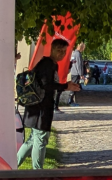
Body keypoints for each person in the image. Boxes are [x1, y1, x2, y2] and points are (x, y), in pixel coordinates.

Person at [17, 38, 80, 169]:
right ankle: (38, 173)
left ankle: (12, 166)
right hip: (40, 108)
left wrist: (65, 86)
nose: (62, 54)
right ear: (52, 50)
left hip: (38, 107)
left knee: (33, 139)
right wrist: (65, 86)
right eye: (59, 50)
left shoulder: (50, 64)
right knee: (41, 138)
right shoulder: (47, 64)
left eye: (64, 51)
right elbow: (46, 85)